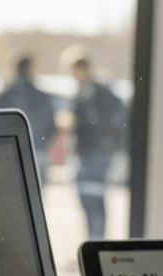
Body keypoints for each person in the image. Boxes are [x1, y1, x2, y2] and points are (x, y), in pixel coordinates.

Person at [66, 49, 125, 239]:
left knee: (94, 200)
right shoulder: (80, 93)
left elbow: (112, 122)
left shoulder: (100, 93)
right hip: (86, 153)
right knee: (87, 200)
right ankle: (92, 239)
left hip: (97, 154)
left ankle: (96, 240)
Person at [0, 55, 56, 186]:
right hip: (37, 150)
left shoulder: (3, 96)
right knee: (36, 196)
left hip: (9, 152)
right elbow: (50, 125)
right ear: (31, 69)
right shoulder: (41, 96)